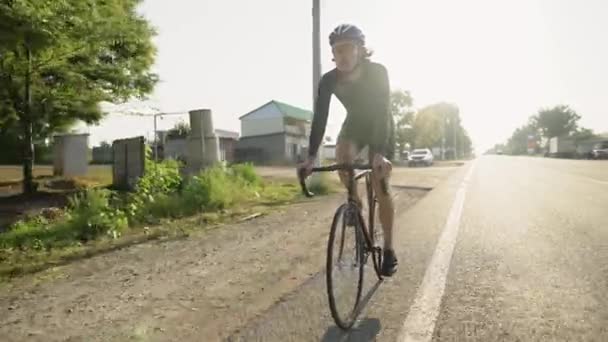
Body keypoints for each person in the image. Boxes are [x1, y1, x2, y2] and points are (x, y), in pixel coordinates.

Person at [298, 24, 397, 277]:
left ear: (360, 50)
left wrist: (379, 152)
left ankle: (388, 248)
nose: (342, 55)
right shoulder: (329, 80)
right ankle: (355, 202)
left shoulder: (377, 72)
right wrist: (310, 157)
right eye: (336, 50)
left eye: (347, 49)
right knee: (342, 155)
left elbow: (383, 111)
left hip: (380, 124)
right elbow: (320, 118)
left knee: (380, 183)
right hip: (354, 124)